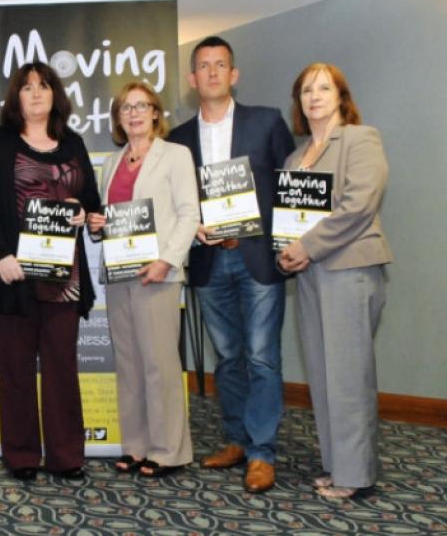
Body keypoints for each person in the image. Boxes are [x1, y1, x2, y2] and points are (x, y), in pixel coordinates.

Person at [167, 36, 295, 492]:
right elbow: (174, 202)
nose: (213, 72)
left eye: (221, 65)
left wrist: (288, 242)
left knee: (262, 357)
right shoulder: (179, 139)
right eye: (204, 66)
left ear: (234, 74)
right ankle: (237, 439)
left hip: (257, 257)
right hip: (208, 262)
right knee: (228, 358)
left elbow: (289, 186)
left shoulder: (267, 122)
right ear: (192, 79)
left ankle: (262, 453)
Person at [0, 62, 100, 481]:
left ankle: (66, 456)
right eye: (27, 88)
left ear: (55, 94)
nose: (37, 93)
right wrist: (0, 255)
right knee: (16, 368)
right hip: (13, 275)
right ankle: (22, 455)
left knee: (63, 366)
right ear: (16, 98)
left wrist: (82, 213)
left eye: (44, 86)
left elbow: (91, 201)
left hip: (65, 278)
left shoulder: (73, 142)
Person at [279, 63, 392, 500]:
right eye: (306, 89)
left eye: (324, 88)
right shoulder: (296, 156)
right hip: (310, 275)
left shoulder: (361, 139)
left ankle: (356, 474)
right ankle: (337, 464)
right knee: (324, 376)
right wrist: (286, 252)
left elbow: (358, 205)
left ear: (341, 96)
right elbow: (289, 220)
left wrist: (305, 245)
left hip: (350, 269)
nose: (314, 96)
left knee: (348, 375)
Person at [87, 82, 199, 477]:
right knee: (129, 365)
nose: (134, 113)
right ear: (119, 118)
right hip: (118, 276)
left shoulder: (176, 155)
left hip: (158, 276)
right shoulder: (111, 163)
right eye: (125, 108)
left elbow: (189, 214)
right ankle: (135, 447)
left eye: (142, 106)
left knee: (160, 365)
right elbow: (108, 220)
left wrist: (167, 261)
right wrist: (96, 224)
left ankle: (168, 451)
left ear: (156, 112)